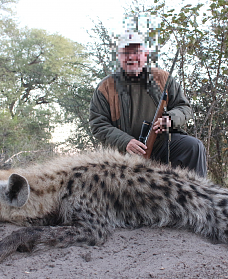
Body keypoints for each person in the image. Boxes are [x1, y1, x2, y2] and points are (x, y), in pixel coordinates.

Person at [89, 30, 207, 177]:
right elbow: (98, 124)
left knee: (193, 147)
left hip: (160, 144)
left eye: (136, 52)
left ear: (145, 54)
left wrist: (170, 119)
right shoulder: (105, 87)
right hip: (124, 152)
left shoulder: (163, 79)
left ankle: (200, 197)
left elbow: (184, 108)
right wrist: (126, 142)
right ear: (119, 57)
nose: (131, 57)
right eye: (126, 53)